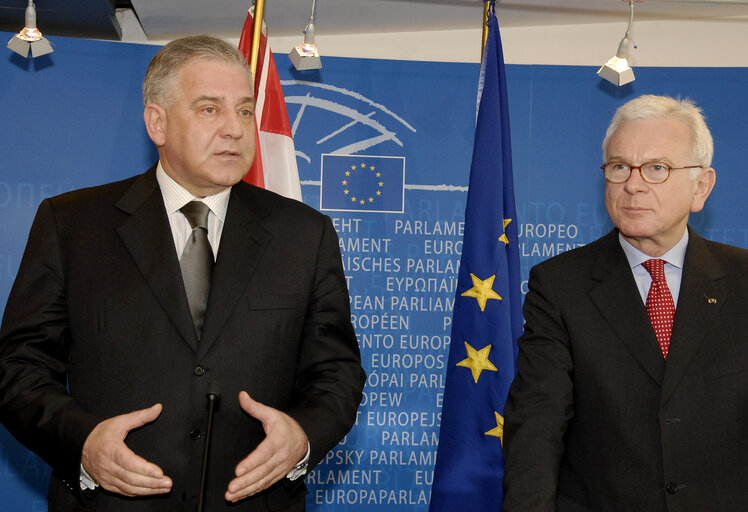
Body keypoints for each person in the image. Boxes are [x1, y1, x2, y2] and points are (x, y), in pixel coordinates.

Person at [0, 35, 365, 512]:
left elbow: (336, 372)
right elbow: (18, 368)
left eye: (244, 110)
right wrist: (83, 443)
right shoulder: (72, 225)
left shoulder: (304, 234)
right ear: (158, 122)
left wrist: (303, 436)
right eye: (210, 109)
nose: (234, 129)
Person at [502, 94, 748, 511]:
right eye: (619, 167)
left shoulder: (742, 281)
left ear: (700, 186)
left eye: (657, 168)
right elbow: (537, 429)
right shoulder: (560, 285)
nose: (632, 184)